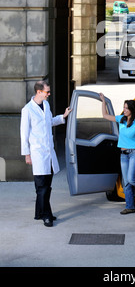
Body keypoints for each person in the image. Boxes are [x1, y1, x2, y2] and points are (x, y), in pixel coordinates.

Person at [20, 80, 71, 227]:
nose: (49, 94)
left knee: (46, 185)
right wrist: (27, 154)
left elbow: (49, 121)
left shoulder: (46, 105)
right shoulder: (27, 110)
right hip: (37, 152)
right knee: (42, 186)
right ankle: (46, 215)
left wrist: (63, 116)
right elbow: (24, 134)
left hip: (48, 151)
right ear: (39, 92)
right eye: (47, 92)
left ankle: (39, 212)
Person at [99, 93, 135, 214]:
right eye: (124, 107)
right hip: (123, 154)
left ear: (132, 109)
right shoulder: (121, 119)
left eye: (126, 108)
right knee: (126, 182)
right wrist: (103, 102)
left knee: (131, 179)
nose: (124, 110)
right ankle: (130, 206)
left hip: (134, 153)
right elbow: (105, 115)